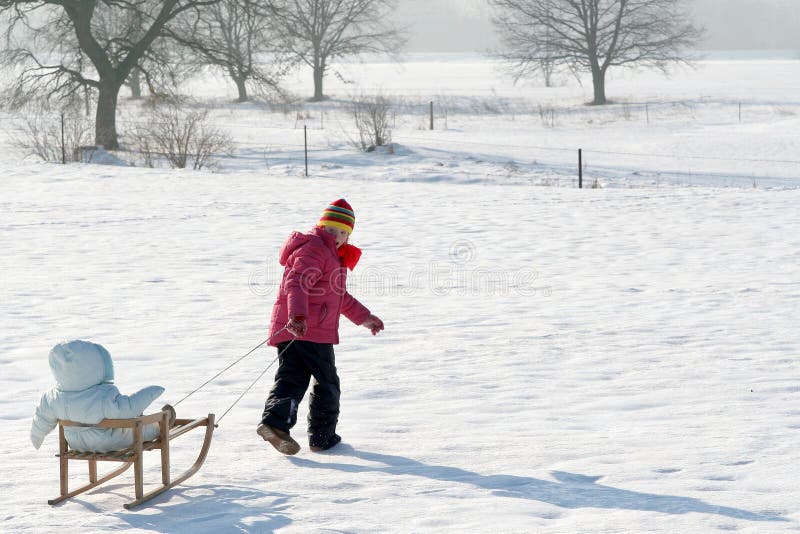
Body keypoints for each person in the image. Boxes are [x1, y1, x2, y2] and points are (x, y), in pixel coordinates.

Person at [258, 198, 384, 455]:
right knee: (327, 383)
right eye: (330, 229)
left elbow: (340, 297)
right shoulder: (316, 250)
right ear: (321, 227)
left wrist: (364, 317)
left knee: (292, 378)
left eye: (342, 232)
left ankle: (275, 424)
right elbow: (296, 283)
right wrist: (299, 317)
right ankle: (322, 437)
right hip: (308, 329)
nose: (336, 235)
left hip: (299, 328)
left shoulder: (330, 255)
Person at [30, 339, 175, 453]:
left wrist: (36, 437)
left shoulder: (52, 397)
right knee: (138, 429)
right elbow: (127, 409)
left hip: (75, 443)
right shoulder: (102, 396)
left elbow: (41, 420)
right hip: (107, 441)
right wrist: (151, 392)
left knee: (127, 423)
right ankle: (161, 424)